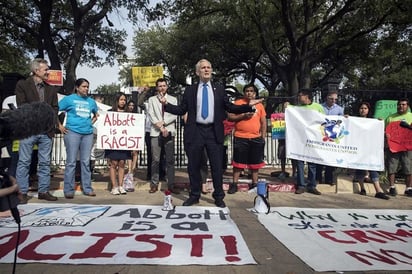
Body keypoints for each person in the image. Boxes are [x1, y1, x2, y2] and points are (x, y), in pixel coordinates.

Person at [159, 59, 262, 207]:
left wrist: (247, 106)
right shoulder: (190, 90)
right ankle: (194, 195)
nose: (206, 70)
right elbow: (182, 110)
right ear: (197, 72)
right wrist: (166, 105)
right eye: (203, 68)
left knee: (216, 166)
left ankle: (218, 196)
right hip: (196, 132)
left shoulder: (219, 89)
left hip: (214, 132)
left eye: (209, 67)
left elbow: (229, 107)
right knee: (193, 166)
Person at [15, 58, 64, 204]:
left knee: (44, 162)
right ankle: (22, 192)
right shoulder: (23, 85)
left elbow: (55, 108)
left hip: (46, 130)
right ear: (37, 71)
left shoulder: (51, 88)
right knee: (24, 161)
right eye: (46, 70)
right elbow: (22, 105)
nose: (48, 72)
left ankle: (43, 191)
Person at [58, 78, 98, 199]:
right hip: (72, 132)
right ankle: (68, 189)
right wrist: (59, 126)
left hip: (88, 134)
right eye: (84, 86)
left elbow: (96, 115)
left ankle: (87, 188)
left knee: (86, 162)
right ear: (77, 87)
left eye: (87, 87)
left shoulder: (91, 101)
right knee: (71, 162)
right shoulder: (68, 99)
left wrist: (90, 123)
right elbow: (54, 110)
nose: (86, 89)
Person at [227, 84, 266, 194]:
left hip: (256, 138)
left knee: (255, 164)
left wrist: (262, 138)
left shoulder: (260, 106)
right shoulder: (238, 103)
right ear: (244, 93)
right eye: (247, 91)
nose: (249, 93)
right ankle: (234, 184)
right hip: (240, 137)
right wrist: (243, 116)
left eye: (251, 91)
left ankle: (254, 184)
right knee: (238, 164)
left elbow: (263, 123)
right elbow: (230, 117)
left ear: (255, 93)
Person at [147, 78, 179, 194]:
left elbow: (175, 114)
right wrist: (160, 126)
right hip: (156, 131)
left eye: (164, 86)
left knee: (170, 160)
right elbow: (151, 114)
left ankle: (171, 184)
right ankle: (154, 184)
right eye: (160, 86)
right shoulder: (151, 100)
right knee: (155, 159)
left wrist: (164, 124)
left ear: (167, 87)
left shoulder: (173, 99)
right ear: (157, 87)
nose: (162, 88)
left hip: (169, 131)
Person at [352, 102, 389, 200]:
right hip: (358, 148)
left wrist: (380, 123)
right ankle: (362, 188)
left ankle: (378, 190)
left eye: (365, 108)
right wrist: (346, 119)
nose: (363, 110)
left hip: (370, 148)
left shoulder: (373, 121)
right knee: (359, 167)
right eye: (361, 108)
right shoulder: (354, 120)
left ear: (368, 110)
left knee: (372, 166)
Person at [293, 89, 324, 195]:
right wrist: (286, 106)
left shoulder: (318, 107)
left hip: (313, 139)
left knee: (312, 164)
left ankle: (312, 185)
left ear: (307, 96)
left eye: (300, 95)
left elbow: (324, 120)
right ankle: (301, 185)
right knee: (300, 163)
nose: (298, 97)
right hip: (300, 140)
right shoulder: (297, 108)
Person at [385, 98, 412, 197]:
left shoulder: (411, 116)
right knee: (392, 167)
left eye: (403, 105)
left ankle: (409, 188)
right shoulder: (390, 117)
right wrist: (386, 134)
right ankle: (392, 187)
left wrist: (408, 127)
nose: (401, 106)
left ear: (407, 106)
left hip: (407, 146)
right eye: (399, 104)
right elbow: (385, 130)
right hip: (394, 146)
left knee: (408, 167)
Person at [316, 90, 344, 185]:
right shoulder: (320, 107)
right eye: (331, 99)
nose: (333, 101)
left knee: (330, 158)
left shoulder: (340, 109)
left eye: (335, 99)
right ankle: (318, 178)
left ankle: (329, 179)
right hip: (321, 134)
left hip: (332, 136)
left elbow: (342, 122)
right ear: (327, 97)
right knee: (319, 157)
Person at [104, 92, 130, 195]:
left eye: (124, 100)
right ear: (117, 101)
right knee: (113, 163)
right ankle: (114, 186)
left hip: (124, 142)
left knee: (122, 163)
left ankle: (121, 185)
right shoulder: (109, 112)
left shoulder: (128, 113)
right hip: (112, 142)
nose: (123, 102)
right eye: (121, 99)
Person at [126, 99, 138, 176]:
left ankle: (133, 168)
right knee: (129, 153)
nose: (131, 107)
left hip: (135, 134)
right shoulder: (125, 114)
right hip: (127, 134)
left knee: (135, 152)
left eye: (132, 105)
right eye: (130, 105)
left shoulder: (137, 115)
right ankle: (130, 169)